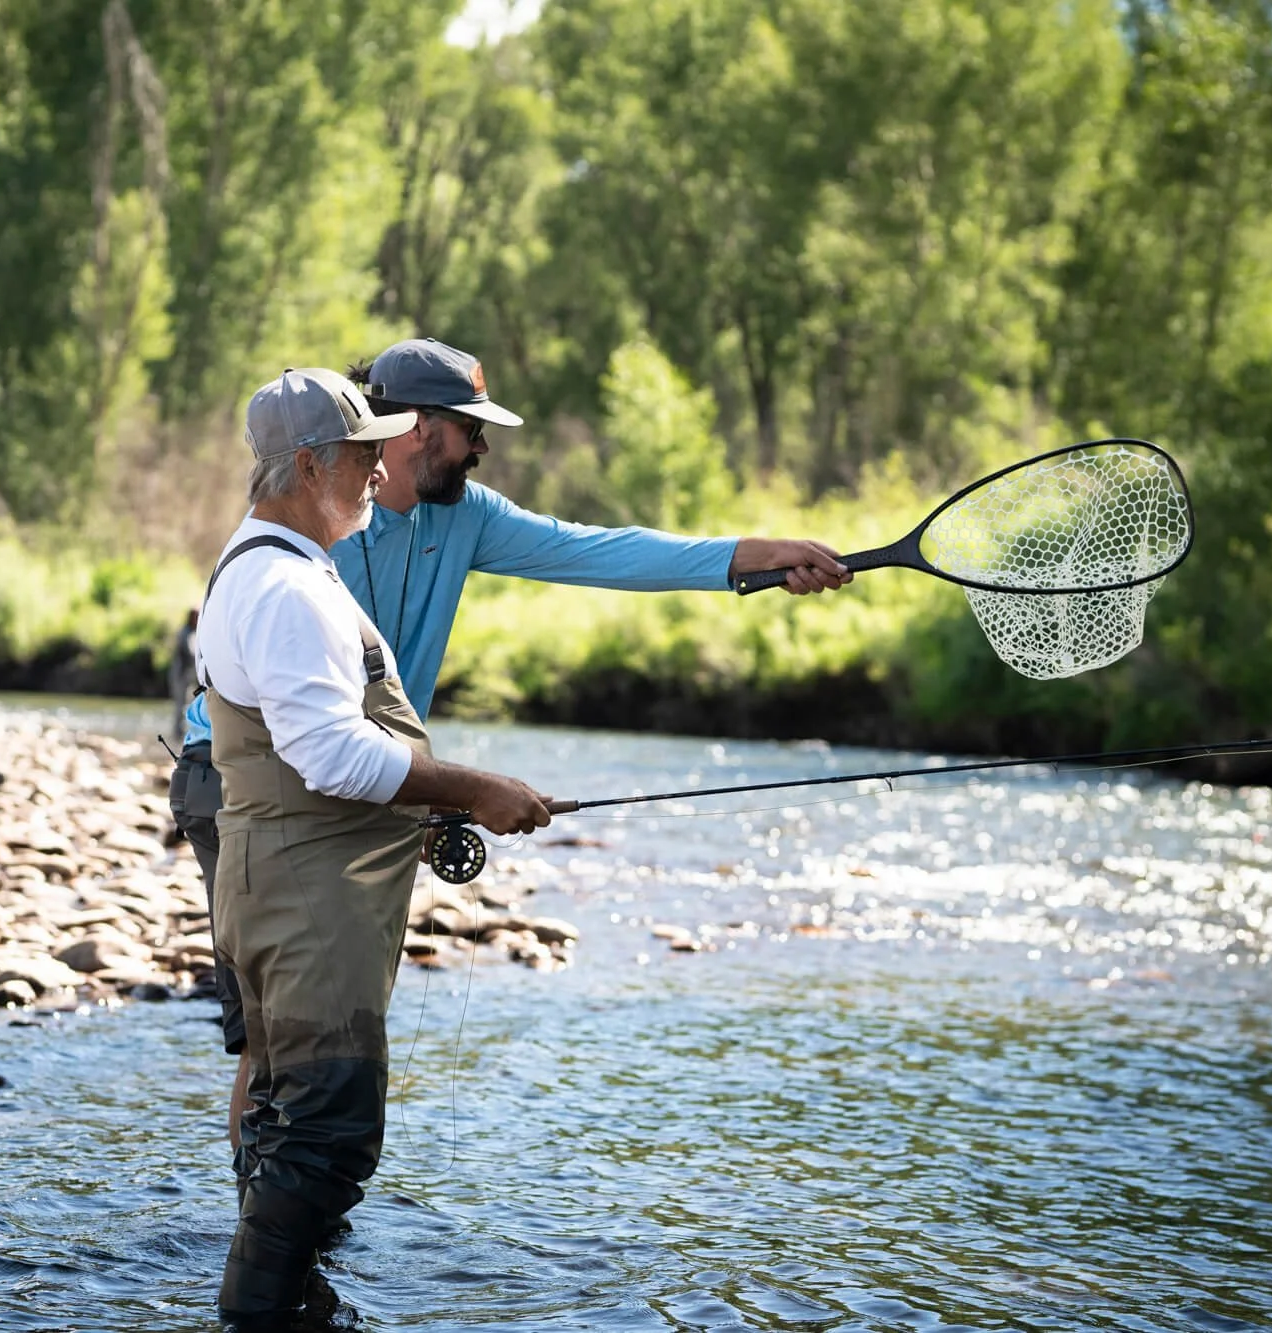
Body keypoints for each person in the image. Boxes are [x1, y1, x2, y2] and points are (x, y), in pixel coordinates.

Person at [169, 337, 850, 1174]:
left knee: (324, 1020)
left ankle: (286, 1225)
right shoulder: (325, 513)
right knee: (273, 1034)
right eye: (470, 430)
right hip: (236, 776)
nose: (483, 447)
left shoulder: (468, 517)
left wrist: (754, 559)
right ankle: (267, 1228)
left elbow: (600, 551)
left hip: (356, 777)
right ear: (419, 427)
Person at [195, 366, 553, 1323]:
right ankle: (260, 1311)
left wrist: (438, 803)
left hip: (285, 887)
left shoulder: (274, 565)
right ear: (311, 465)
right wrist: (476, 788)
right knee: (328, 1129)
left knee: (287, 1113)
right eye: (361, 455)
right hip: (307, 902)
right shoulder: (283, 586)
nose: (377, 469)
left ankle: (289, 1301)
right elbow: (330, 756)